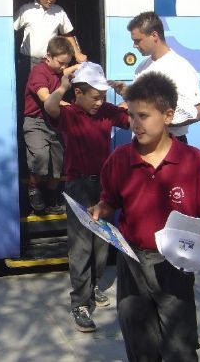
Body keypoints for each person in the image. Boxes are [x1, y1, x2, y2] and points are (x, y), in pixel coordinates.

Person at [90, 71, 200, 361]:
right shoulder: (119, 160)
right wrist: (98, 212)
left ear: (168, 116)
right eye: (131, 116)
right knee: (139, 344)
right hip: (132, 263)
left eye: (143, 116)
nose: (135, 124)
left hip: (175, 266)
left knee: (181, 346)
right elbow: (109, 202)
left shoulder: (192, 161)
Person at [44, 62, 129, 332]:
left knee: (103, 240)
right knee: (81, 245)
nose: (100, 102)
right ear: (78, 93)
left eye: (103, 96)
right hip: (78, 186)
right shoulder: (69, 113)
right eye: (95, 96)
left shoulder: (106, 111)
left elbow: (136, 116)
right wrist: (62, 86)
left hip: (104, 185)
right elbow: (50, 108)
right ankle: (80, 302)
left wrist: (126, 93)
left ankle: (93, 285)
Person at [112, 11, 200, 144]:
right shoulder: (142, 67)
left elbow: (197, 112)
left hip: (170, 145)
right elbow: (142, 106)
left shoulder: (180, 67)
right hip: (142, 146)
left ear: (154, 35)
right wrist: (127, 96)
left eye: (138, 40)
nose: (134, 46)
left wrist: (154, 122)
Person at [23, 36, 78, 213]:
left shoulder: (57, 70)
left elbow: (63, 71)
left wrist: (78, 66)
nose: (64, 67)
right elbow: (46, 98)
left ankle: (51, 196)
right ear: (49, 56)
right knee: (40, 157)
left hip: (55, 122)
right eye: (61, 63)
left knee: (57, 162)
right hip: (36, 121)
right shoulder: (38, 72)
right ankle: (33, 188)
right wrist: (66, 104)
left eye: (66, 64)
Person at [14, 0, 87, 80]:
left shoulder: (59, 11)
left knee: (50, 93)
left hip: (51, 63)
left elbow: (67, 34)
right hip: (27, 63)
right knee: (27, 92)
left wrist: (77, 53)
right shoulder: (26, 9)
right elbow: (10, 31)